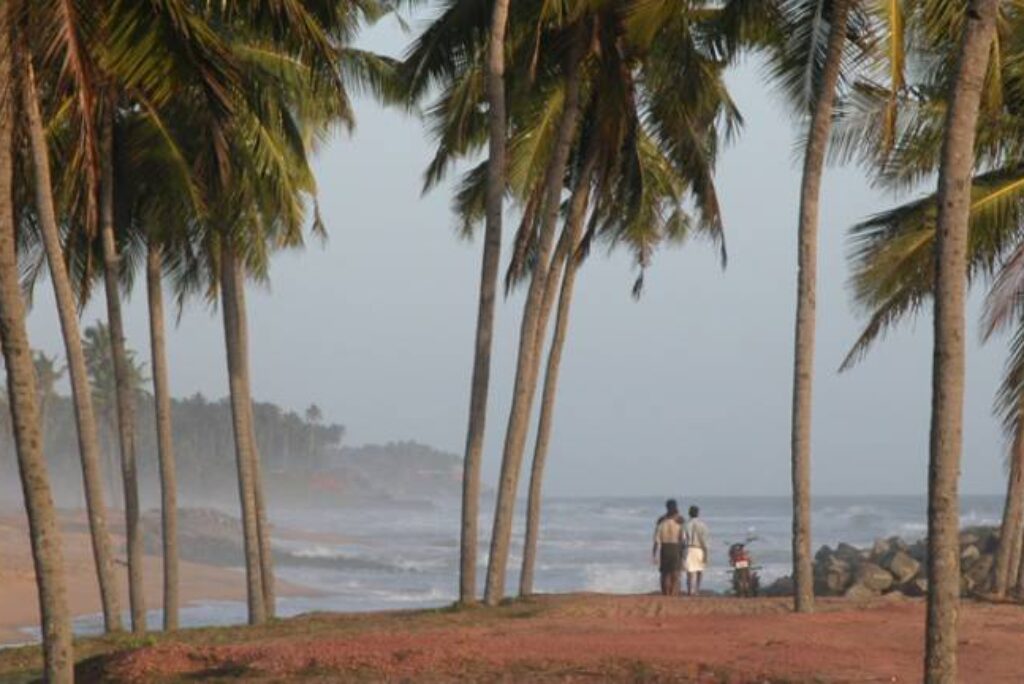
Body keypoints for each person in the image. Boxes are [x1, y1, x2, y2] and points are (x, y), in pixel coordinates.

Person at [652, 499, 683, 596]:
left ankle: (665, 594)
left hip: (664, 548)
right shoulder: (680, 521)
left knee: (664, 573)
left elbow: (656, 540)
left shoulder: (661, 521)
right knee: (676, 573)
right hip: (676, 547)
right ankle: (674, 593)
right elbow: (683, 538)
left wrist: (654, 554)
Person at [683, 505, 709, 596]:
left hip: (689, 548)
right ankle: (697, 589)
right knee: (699, 570)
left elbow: (682, 539)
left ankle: (690, 590)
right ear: (698, 513)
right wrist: (706, 553)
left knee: (690, 571)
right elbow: (705, 540)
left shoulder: (685, 524)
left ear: (689, 513)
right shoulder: (702, 525)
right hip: (699, 549)